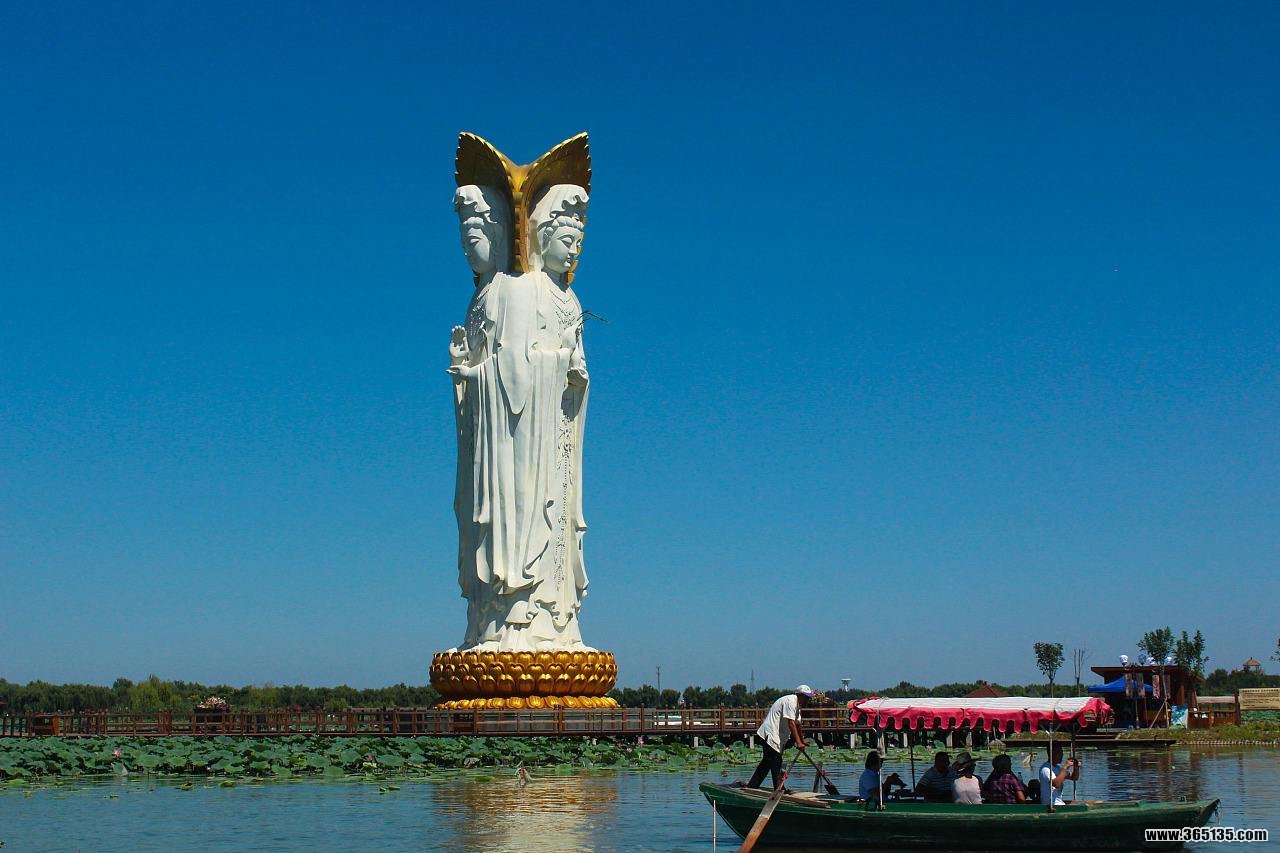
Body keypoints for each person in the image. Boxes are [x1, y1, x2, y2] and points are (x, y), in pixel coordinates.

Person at [746, 686, 815, 790]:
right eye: (806, 697)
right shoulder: (791, 701)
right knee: (776, 761)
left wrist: (802, 740)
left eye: (808, 698)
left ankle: (752, 786)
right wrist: (798, 743)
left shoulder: (797, 706)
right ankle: (779, 789)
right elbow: (791, 723)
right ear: (799, 695)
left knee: (766, 763)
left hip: (776, 736)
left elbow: (798, 724)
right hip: (770, 734)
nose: (807, 700)